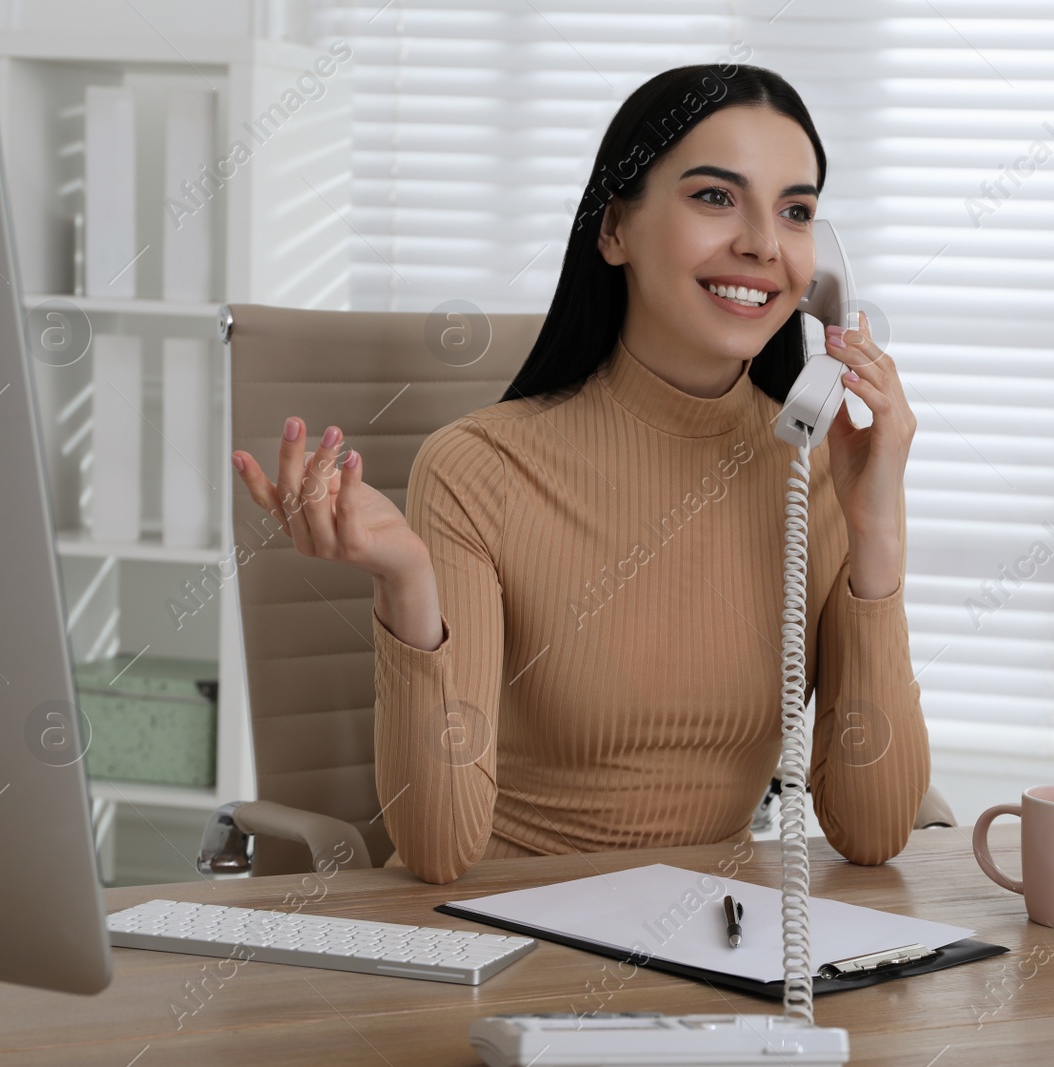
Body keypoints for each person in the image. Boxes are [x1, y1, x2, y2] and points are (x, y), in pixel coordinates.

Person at [231, 63, 927, 885]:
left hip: (712, 953)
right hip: (512, 951)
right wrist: (409, 585)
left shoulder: (818, 476)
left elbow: (875, 829)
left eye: (797, 211)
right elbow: (438, 849)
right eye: (714, 196)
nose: (763, 245)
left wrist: (875, 533)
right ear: (615, 230)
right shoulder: (478, 469)